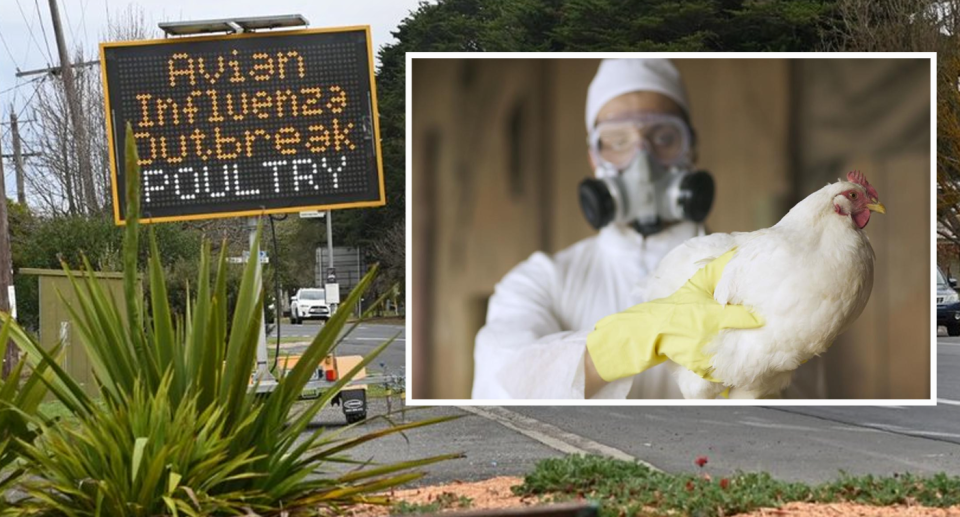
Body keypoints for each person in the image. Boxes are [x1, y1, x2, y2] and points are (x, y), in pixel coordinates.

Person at [471, 58, 826, 399]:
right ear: (594, 157)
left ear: (692, 148)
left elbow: (804, 402)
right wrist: (626, 342)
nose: (642, 162)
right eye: (617, 141)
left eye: (663, 137)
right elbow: (500, 382)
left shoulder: (764, 277)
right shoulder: (539, 282)